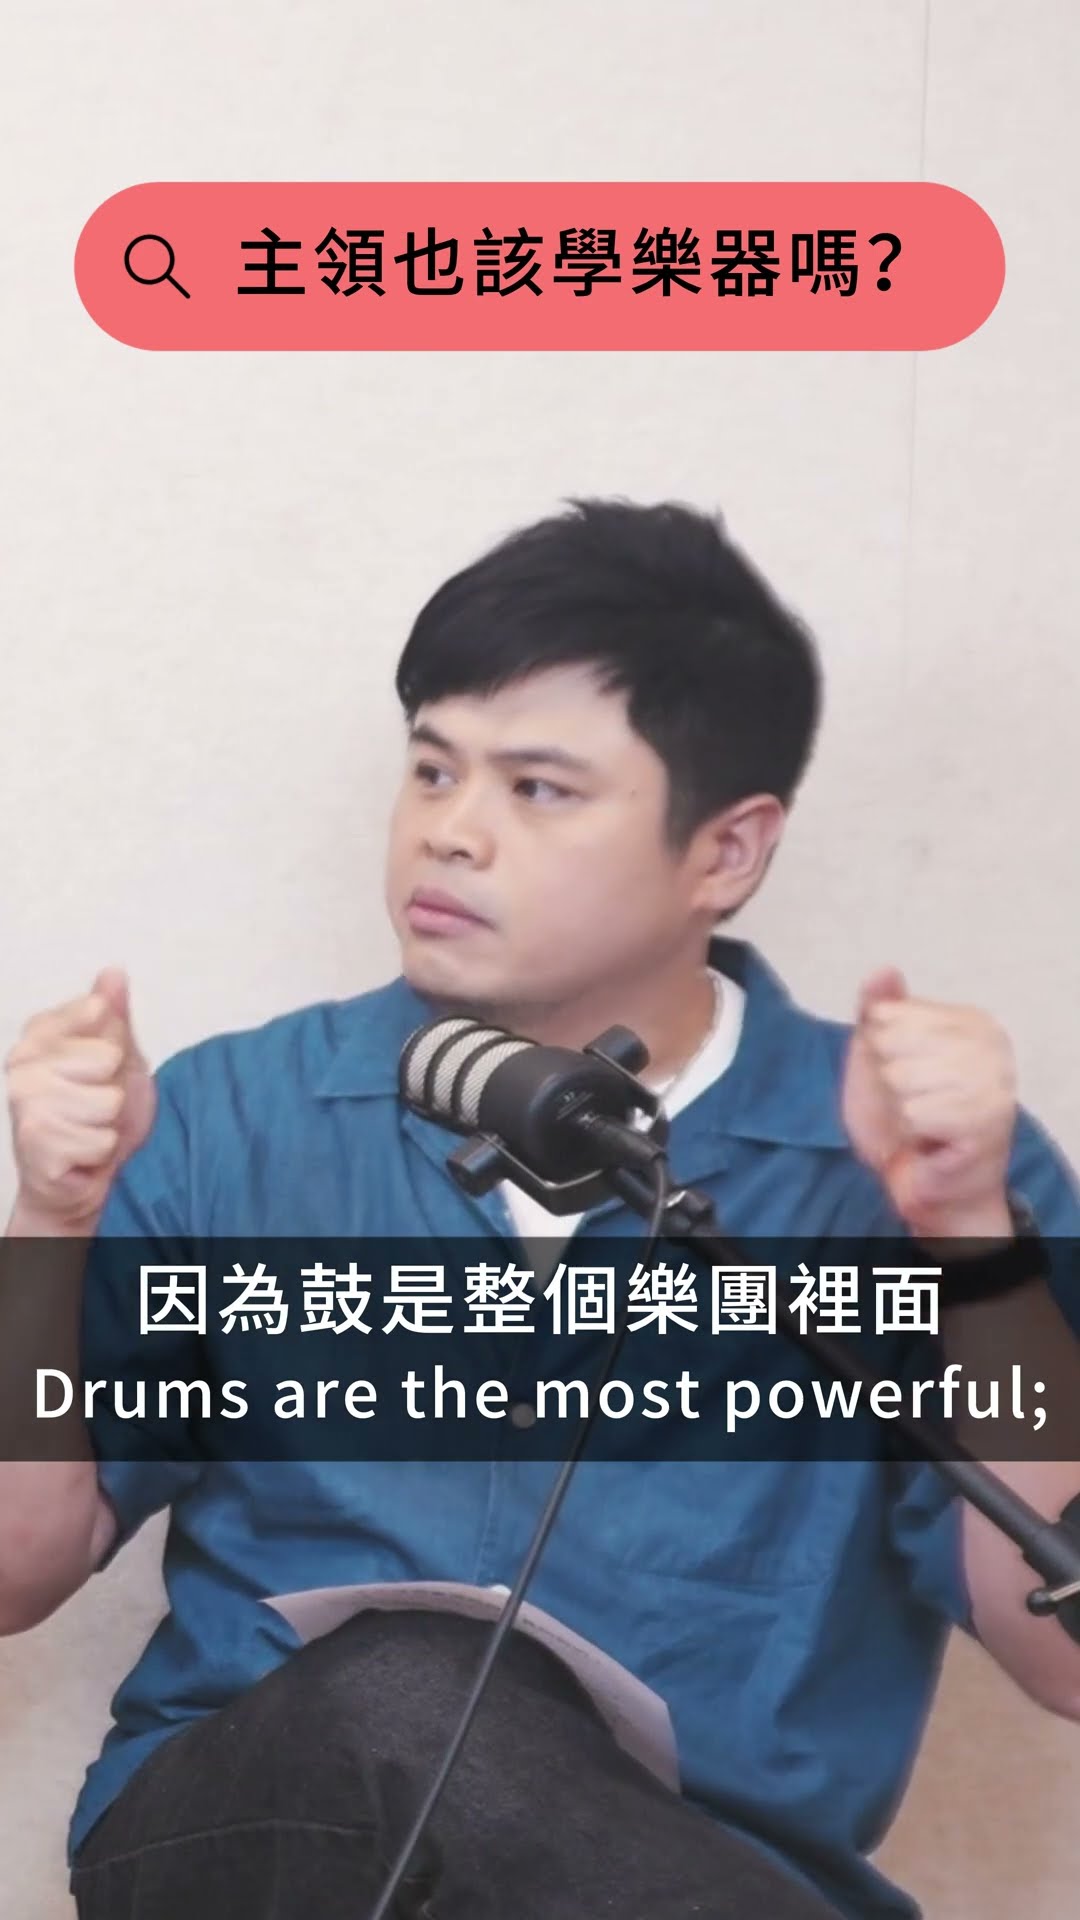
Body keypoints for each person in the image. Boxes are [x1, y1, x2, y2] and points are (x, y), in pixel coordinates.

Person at [3, 495, 1080, 1920]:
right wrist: (48, 1218)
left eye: (538, 789)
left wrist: (972, 1242)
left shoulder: (900, 1160)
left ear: (727, 851)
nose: (451, 834)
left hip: (694, 1871)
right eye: (431, 769)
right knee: (413, 1697)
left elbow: (1065, 1659)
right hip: (253, 1842)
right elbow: (12, 1574)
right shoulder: (229, 1118)